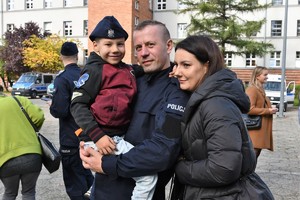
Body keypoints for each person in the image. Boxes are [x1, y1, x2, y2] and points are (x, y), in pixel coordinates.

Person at [75, 20, 190, 200]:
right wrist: (90, 140)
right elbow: (85, 107)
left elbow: (163, 151)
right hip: (102, 189)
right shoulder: (131, 79)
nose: (143, 53)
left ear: (168, 46)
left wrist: (107, 164)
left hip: (136, 192)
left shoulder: (177, 92)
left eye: (150, 45)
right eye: (138, 47)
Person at [170, 35, 274, 199]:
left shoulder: (216, 105)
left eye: (186, 65)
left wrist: (179, 166)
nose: (177, 72)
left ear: (206, 66)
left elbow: (224, 168)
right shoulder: (202, 98)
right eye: (176, 65)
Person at [49, 41, 94, 200]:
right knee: (88, 178)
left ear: (61, 56)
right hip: (88, 135)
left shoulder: (62, 78)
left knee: (75, 184)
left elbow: (59, 110)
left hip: (70, 137)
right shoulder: (86, 75)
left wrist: (52, 106)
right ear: (77, 56)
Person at [0, 85, 45, 200]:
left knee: (9, 193)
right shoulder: (19, 100)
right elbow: (39, 117)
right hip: (32, 154)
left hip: (5, 159)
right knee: (29, 193)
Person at [245, 66, 277, 159]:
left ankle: (249, 173)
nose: (267, 77)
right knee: (252, 156)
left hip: (259, 129)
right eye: (265, 75)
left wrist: (270, 109)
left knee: (255, 155)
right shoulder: (252, 90)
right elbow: (249, 109)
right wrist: (268, 111)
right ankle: (247, 174)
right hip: (255, 128)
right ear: (257, 76)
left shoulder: (260, 89)